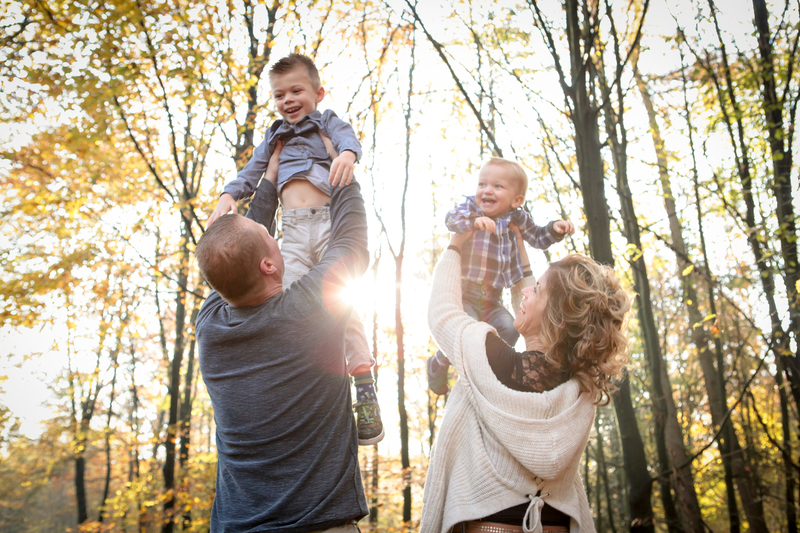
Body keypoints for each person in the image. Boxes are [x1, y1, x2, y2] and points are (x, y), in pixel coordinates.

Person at [206, 53, 383, 444]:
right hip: (294, 232)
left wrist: (347, 156)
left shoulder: (328, 122)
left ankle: (363, 381)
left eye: (296, 91)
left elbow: (348, 140)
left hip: (329, 223)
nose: (287, 100)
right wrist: (228, 195)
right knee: (293, 304)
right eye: (279, 94)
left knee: (343, 301)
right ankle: (304, 380)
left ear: (318, 93)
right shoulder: (274, 137)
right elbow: (252, 171)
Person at [420, 231, 632, 533]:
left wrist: (455, 244)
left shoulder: (490, 360)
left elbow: (443, 313)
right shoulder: (583, 388)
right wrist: (518, 246)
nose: (526, 292)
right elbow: (543, 310)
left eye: (537, 290)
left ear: (558, 317)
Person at [195, 171, 370, 532]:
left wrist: (270, 178)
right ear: (269, 265)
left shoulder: (210, 329)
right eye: (268, 234)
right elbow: (351, 242)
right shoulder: (308, 312)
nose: (272, 233)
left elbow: (233, 256)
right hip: (320, 525)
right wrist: (343, 171)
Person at [427, 157, 575, 395]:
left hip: (493, 297)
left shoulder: (518, 218)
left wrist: (554, 229)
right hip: (465, 293)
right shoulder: (471, 209)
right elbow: (451, 219)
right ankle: (439, 363)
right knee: (465, 330)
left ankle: (487, 370)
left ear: (516, 200)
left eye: (497, 186)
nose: (487, 190)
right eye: (482, 184)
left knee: (509, 327)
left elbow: (538, 237)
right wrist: (473, 222)